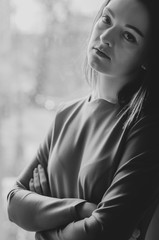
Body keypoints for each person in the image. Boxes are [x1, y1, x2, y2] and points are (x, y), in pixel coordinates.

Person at [6, 0, 159, 239]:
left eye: (128, 36)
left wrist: (44, 223)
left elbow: (105, 230)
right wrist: (82, 209)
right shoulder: (64, 114)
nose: (106, 36)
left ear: (147, 57)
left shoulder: (146, 128)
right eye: (106, 19)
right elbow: (15, 203)